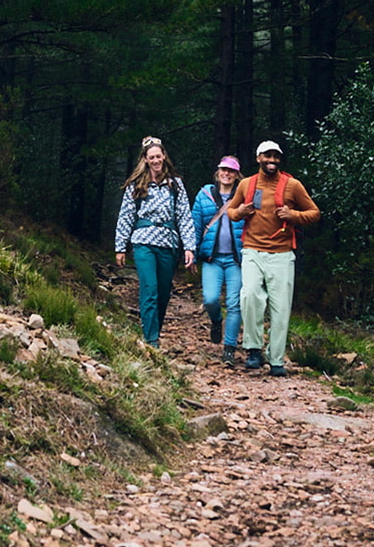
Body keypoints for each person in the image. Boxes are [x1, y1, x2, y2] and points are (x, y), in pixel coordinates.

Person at [226, 140, 320, 376]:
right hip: (252, 250)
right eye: (267, 156)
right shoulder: (246, 184)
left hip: (282, 254)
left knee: (280, 307)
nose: (272, 161)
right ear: (258, 158)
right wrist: (240, 213)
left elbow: (314, 213)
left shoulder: (293, 185)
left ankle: (276, 358)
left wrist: (293, 214)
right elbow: (231, 210)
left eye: (276, 157)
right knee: (249, 296)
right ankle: (253, 349)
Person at [114, 136, 196, 348]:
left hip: (168, 243)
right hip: (143, 243)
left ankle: (154, 330)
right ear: (146, 159)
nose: (156, 160)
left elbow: (184, 216)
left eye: (159, 156)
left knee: (163, 291)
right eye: (152, 157)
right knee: (149, 288)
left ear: (164, 157)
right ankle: (151, 340)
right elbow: (126, 216)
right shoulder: (137, 185)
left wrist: (189, 247)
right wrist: (120, 247)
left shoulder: (175, 185)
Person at [192, 155, 246, 364]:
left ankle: (229, 349)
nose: (227, 174)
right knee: (210, 299)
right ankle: (216, 321)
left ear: (236, 175)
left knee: (234, 304)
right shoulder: (204, 195)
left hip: (236, 259)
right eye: (224, 169)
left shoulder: (243, 197)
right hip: (211, 258)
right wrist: (192, 253)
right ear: (218, 172)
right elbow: (196, 224)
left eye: (231, 171)